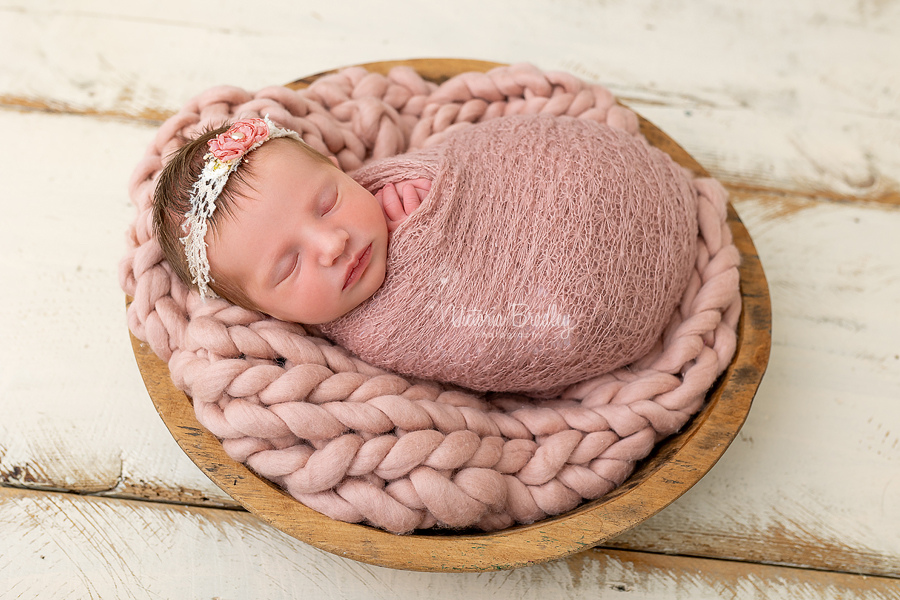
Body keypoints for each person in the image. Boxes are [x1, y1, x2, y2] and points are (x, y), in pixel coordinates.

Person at [153, 116, 429, 324]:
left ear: (341, 171)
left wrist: (422, 229)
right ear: (263, 310)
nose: (333, 245)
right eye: (289, 266)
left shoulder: (406, 186)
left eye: (327, 205)